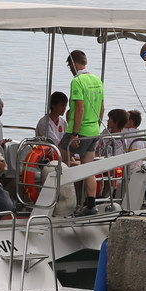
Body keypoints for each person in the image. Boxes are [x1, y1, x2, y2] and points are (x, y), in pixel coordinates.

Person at [63, 49, 105, 213]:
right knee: (89, 169)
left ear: (74, 63)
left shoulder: (77, 81)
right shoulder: (97, 80)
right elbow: (102, 107)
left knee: (59, 162)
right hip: (94, 130)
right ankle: (91, 205)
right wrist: (97, 127)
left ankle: (61, 203)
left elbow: (79, 108)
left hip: (78, 130)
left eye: (69, 66)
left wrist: (75, 132)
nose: (71, 70)